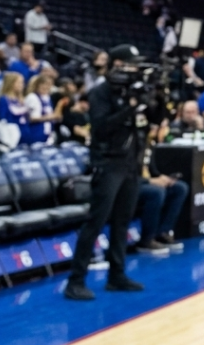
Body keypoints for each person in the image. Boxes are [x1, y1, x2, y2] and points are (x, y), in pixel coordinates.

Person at [66, 44, 151, 300]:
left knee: (122, 221)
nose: (135, 69)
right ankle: (75, 281)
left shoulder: (130, 91)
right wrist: (130, 109)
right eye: (130, 63)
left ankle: (117, 275)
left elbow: (148, 121)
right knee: (97, 221)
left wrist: (151, 101)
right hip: (108, 163)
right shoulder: (99, 92)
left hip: (129, 163)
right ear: (117, 64)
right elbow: (101, 127)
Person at [135, 121, 188, 253]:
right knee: (157, 193)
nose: (166, 131)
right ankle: (146, 239)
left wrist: (164, 178)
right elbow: (127, 175)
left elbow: (151, 169)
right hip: (131, 185)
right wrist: (150, 181)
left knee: (180, 188)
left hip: (146, 181)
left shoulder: (150, 144)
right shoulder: (135, 145)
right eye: (163, 128)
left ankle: (163, 232)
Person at [24, 74, 66, 146]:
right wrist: (52, 117)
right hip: (36, 132)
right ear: (38, 85)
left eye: (49, 85)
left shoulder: (47, 98)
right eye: (44, 84)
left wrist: (56, 118)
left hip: (48, 133)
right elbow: (31, 118)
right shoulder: (32, 97)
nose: (47, 87)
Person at [0, 72, 30, 149]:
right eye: (19, 82)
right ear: (11, 83)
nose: (22, 85)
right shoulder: (4, 100)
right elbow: (2, 122)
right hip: (13, 138)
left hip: (26, 135)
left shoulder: (21, 100)